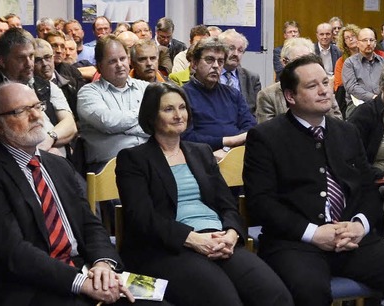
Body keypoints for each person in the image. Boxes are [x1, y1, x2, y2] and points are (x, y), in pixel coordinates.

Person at [244, 53, 384, 306]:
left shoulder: (346, 131)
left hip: (350, 238)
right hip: (296, 242)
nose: (323, 91)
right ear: (290, 96)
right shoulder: (266, 137)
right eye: (311, 86)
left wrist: (359, 225)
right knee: (310, 289)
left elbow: (366, 190)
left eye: (325, 83)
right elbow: (261, 203)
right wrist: (314, 233)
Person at [115, 82, 293, 306]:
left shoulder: (201, 152)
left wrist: (231, 234)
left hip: (218, 240)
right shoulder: (133, 158)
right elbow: (141, 217)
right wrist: (193, 239)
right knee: (225, 301)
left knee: (275, 295)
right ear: (151, 116)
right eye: (168, 109)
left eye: (182, 108)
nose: (179, 115)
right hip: (168, 248)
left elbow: (227, 204)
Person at [0, 82, 134, 305]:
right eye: (20, 111)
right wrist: (81, 283)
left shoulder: (58, 165)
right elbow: (13, 252)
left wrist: (103, 264)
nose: (35, 116)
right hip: (31, 286)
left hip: (83, 270)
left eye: (37, 106)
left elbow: (89, 224)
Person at [0, 28, 77, 163]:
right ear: (2, 60)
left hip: (56, 161)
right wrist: (38, 155)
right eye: (21, 58)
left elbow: (70, 125)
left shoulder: (45, 84)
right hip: (7, 168)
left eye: (31, 56)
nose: (29, 63)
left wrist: (49, 139)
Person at [77, 34, 149, 171]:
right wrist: (143, 118)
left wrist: (122, 126)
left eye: (122, 59)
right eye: (112, 61)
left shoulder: (145, 88)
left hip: (148, 161)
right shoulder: (88, 93)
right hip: (108, 168)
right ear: (99, 66)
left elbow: (159, 124)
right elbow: (107, 122)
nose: (120, 65)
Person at [181, 37, 256, 159]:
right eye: (209, 60)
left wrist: (228, 148)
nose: (216, 66)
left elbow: (250, 126)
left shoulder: (233, 94)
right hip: (200, 157)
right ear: (194, 64)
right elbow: (187, 137)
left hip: (236, 155)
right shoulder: (182, 95)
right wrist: (227, 141)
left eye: (220, 61)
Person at [256, 37, 341, 123]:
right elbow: (268, 132)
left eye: (309, 61)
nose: (307, 67)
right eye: (299, 62)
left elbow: (338, 124)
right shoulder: (268, 96)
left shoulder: (324, 89)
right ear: (284, 62)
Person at [342, 28, 384, 117]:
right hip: (357, 106)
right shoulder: (350, 63)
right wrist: (373, 98)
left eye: (371, 40)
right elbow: (351, 87)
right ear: (357, 43)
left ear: (375, 43)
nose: (368, 43)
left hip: (381, 104)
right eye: (365, 40)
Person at [218, 29, 261, 114]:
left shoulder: (252, 78)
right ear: (219, 49)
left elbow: (256, 112)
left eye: (240, 50)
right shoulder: (210, 75)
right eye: (231, 48)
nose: (236, 54)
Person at [333, 24, 361, 92]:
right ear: (344, 43)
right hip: (348, 94)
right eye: (347, 38)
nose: (351, 39)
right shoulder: (341, 62)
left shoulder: (367, 56)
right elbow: (338, 86)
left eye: (353, 36)